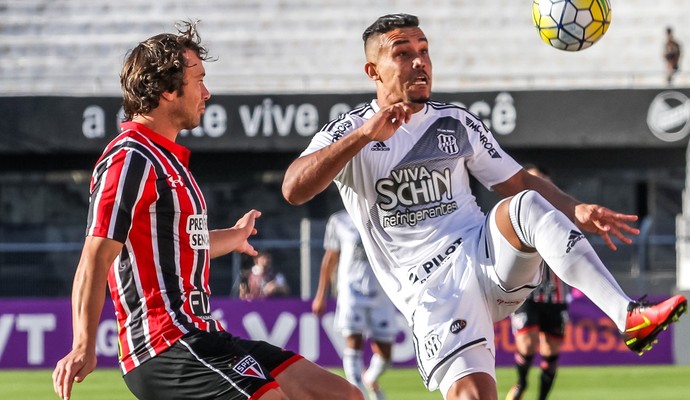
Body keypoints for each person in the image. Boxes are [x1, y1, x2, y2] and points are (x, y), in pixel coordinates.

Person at [282, 13, 688, 400]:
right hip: (432, 293)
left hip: (486, 258)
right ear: (373, 71)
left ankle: (629, 316)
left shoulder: (455, 121)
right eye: (403, 53)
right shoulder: (348, 131)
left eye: (424, 50)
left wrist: (575, 208)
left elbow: (519, 179)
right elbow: (293, 188)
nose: (420, 61)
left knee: (525, 203)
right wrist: (363, 137)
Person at [52, 20, 363, 400]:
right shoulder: (130, 158)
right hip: (162, 346)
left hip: (199, 334)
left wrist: (233, 238)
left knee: (340, 395)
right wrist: (82, 344)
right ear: (167, 89)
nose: (207, 91)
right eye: (198, 79)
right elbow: (96, 255)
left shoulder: (166, 161)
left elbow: (177, 246)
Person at [312, 210, 398, 400]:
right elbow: (330, 258)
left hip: (381, 291)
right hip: (351, 291)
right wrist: (321, 295)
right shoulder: (338, 220)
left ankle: (370, 378)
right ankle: (358, 394)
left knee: (386, 354)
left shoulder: (387, 212)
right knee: (353, 343)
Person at [505, 165, 569, 400]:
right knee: (527, 343)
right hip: (526, 291)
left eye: (541, 181)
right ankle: (521, 383)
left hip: (555, 293)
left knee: (551, 350)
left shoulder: (562, 214)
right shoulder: (514, 211)